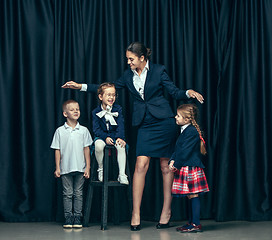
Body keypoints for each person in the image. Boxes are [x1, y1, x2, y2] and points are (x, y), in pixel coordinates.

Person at [61, 42, 204, 231]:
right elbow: (108, 87)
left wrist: (188, 92)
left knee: (165, 167)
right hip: (145, 124)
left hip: (164, 122)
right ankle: (135, 213)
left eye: (131, 59)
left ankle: (166, 212)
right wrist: (81, 87)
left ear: (142, 58)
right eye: (128, 59)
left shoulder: (159, 70)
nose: (128, 62)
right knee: (140, 165)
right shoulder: (128, 76)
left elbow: (173, 91)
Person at [50, 100, 93, 229]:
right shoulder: (60, 131)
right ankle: (68, 218)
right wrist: (58, 167)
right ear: (65, 113)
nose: (76, 111)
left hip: (80, 167)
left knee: (78, 193)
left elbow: (87, 149)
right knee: (67, 193)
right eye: (72, 109)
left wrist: (88, 167)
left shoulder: (84, 130)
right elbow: (57, 150)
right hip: (65, 168)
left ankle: (77, 218)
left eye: (77, 109)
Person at [169, 104, 209, 233]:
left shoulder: (191, 131)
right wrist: (172, 160)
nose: (175, 117)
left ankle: (195, 224)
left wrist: (175, 164)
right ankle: (191, 222)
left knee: (193, 195)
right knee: (189, 196)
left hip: (190, 167)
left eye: (178, 115)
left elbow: (185, 152)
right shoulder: (185, 130)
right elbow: (178, 149)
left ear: (186, 119)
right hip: (184, 166)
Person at [92, 82, 129, 184]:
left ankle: (122, 174)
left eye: (113, 95)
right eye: (108, 95)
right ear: (100, 96)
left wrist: (119, 137)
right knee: (98, 145)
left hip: (115, 136)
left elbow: (121, 125)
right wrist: (105, 138)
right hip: (101, 136)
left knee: (120, 146)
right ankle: (101, 168)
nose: (111, 97)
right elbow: (96, 130)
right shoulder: (96, 112)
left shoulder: (118, 109)